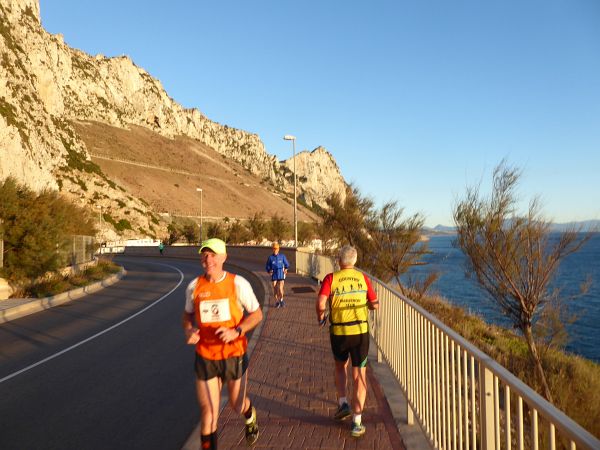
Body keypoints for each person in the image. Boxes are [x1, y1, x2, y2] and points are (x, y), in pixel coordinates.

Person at [182, 238, 263, 450]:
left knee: (237, 404)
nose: (208, 259)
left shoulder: (238, 284)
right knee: (209, 413)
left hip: (233, 354)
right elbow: (187, 314)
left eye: (213, 255)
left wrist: (236, 330)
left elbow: (257, 315)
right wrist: (188, 330)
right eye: (205, 255)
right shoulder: (194, 287)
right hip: (206, 356)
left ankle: (249, 414)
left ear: (224, 257)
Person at [315, 245, 379, 438]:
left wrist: (321, 317)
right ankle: (357, 422)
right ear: (355, 260)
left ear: (339, 260)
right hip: (360, 333)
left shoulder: (331, 278)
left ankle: (343, 403)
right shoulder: (363, 278)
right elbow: (375, 304)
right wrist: (366, 304)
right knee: (359, 374)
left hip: (339, 333)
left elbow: (320, 303)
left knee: (340, 367)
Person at [265, 242, 290, 308]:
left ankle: (281, 300)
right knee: (275, 288)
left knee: (281, 288)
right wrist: (269, 271)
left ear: (278, 249)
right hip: (274, 274)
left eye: (276, 249)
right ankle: (277, 302)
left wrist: (286, 269)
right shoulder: (270, 258)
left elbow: (287, 264)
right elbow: (267, 266)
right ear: (272, 249)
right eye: (274, 249)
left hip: (281, 273)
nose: (275, 250)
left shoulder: (282, 256)